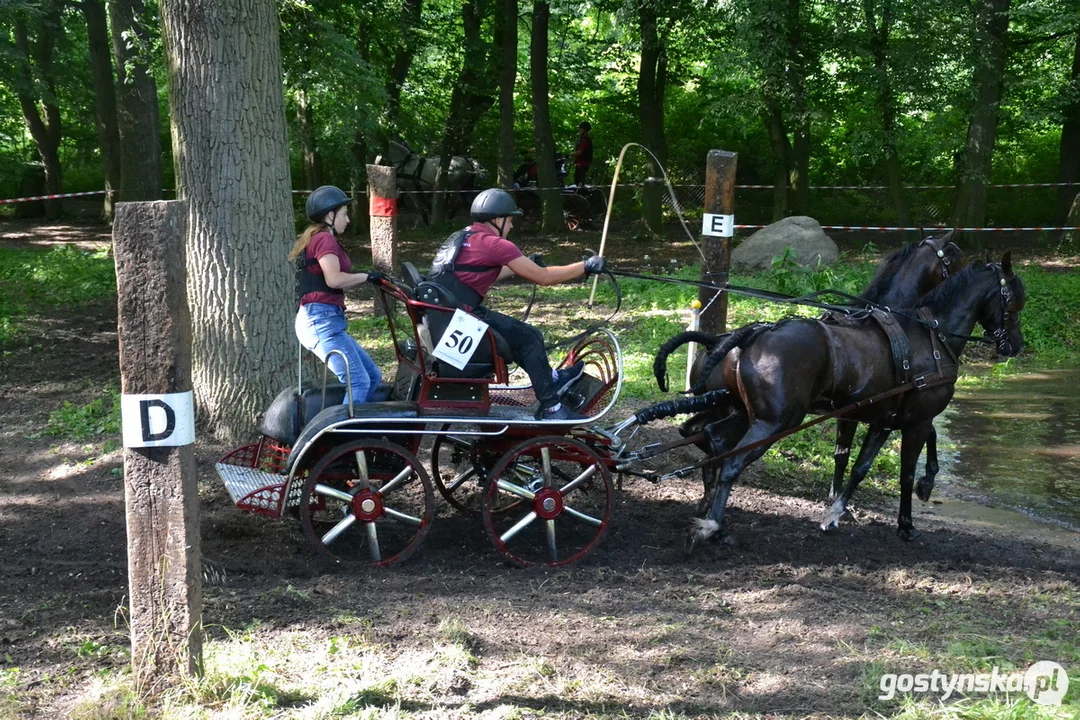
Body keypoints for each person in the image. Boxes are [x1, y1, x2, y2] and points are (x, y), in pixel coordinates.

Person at [427, 188, 607, 421]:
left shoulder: (464, 236)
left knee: (519, 334)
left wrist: (521, 266)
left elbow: (478, 271)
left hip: (446, 318)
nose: (511, 227)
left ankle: (550, 378)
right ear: (498, 219)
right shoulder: (496, 244)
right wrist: (586, 266)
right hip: (463, 320)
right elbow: (543, 277)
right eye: (510, 220)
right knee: (530, 337)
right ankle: (553, 408)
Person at [288, 185, 385, 405]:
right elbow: (334, 279)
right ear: (330, 215)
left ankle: (358, 428)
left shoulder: (320, 238)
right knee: (359, 381)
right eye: (344, 214)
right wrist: (367, 276)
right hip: (320, 320)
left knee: (372, 376)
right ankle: (344, 438)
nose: (348, 220)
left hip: (325, 320)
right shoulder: (324, 239)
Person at [571, 121, 593, 187]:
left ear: (585, 130)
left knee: (579, 181)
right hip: (581, 163)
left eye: (581, 128)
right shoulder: (582, 139)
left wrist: (569, 154)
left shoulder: (585, 140)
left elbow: (579, 152)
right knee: (578, 180)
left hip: (583, 164)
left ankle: (581, 195)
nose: (579, 130)